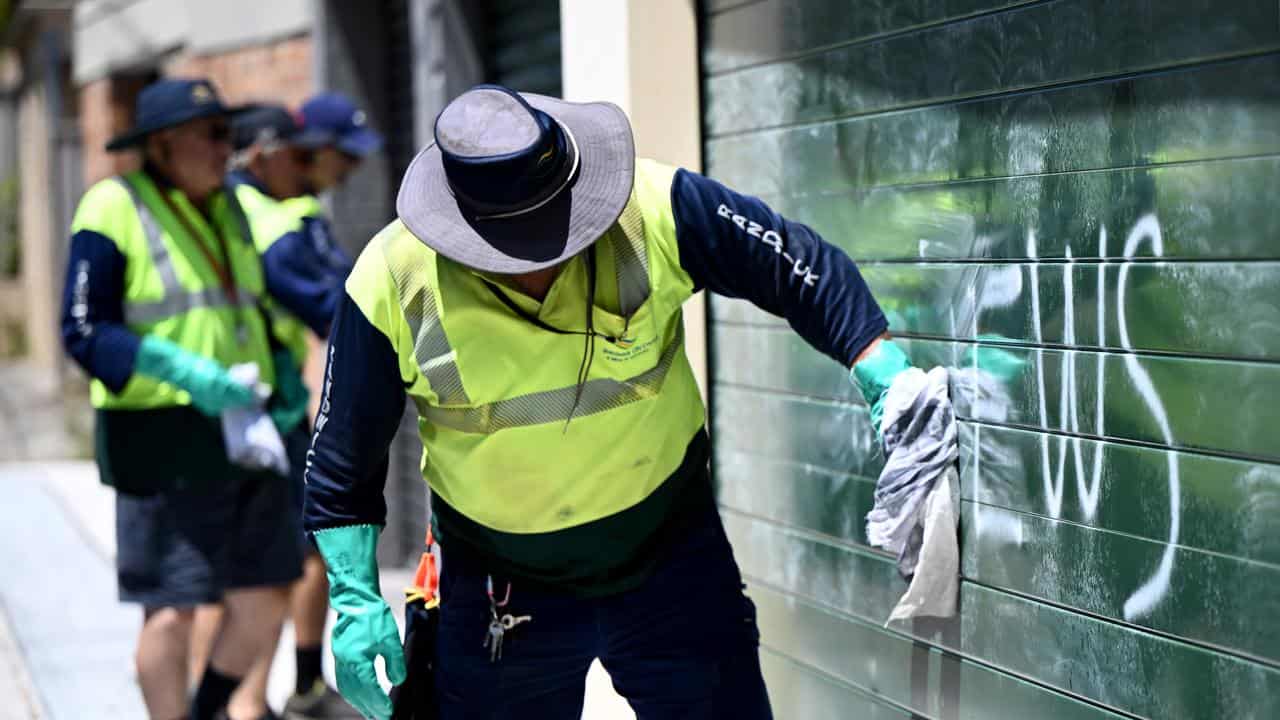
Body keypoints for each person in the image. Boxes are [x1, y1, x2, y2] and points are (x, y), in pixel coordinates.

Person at [301, 85, 937, 720]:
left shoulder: (650, 209)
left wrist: (883, 370)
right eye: (512, 250)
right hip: (498, 581)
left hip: (668, 558)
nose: (540, 263)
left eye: (552, 232)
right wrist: (355, 599)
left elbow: (796, 263)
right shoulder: (392, 279)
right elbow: (341, 465)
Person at [58, 78, 303, 720]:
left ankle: (205, 712)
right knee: (172, 607)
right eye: (215, 135)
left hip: (242, 425)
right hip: (157, 436)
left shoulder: (229, 207)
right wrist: (178, 370)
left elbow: (248, 302)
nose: (230, 148)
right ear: (165, 145)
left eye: (230, 133)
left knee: (269, 588)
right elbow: (83, 329)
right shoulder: (112, 206)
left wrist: (281, 375)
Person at [227, 97, 381, 719]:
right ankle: (250, 700)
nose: (328, 166)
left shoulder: (281, 211)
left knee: (291, 555)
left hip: (273, 402)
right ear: (269, 155)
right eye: (310, 154)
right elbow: (334, 307)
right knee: (266, 565)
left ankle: (284, 691)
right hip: (258, 410)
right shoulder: (267, 222)